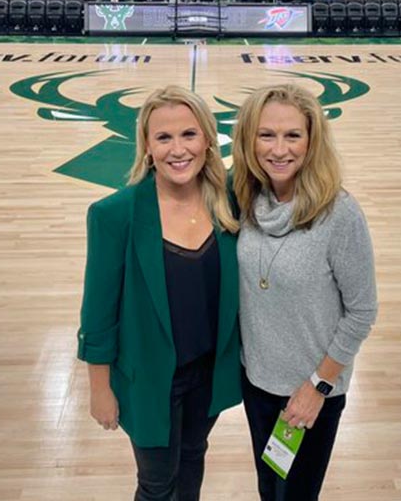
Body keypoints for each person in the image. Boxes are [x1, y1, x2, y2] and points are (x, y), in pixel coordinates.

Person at [78, 86, 242, 501]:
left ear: (208, 139)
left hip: (208, 373)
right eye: (163, 138)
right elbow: (98, 314)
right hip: (151, 380)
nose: (177, 149)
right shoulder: (115, 215)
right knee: (156, 484)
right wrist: (100, 388)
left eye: (189, 134)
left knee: (192, 459)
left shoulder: (231, 201)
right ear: (147, 147)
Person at [231, 84, 378, 501]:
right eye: (266, 135)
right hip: (257, 382)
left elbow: (362, 311)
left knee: (295, 496)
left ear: (312, 141)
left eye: (292, 135)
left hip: (311, 393)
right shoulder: (247, 198)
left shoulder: (339, 213)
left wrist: (317, 387)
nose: (279, 149)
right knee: (269, 488)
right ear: (248, 140)